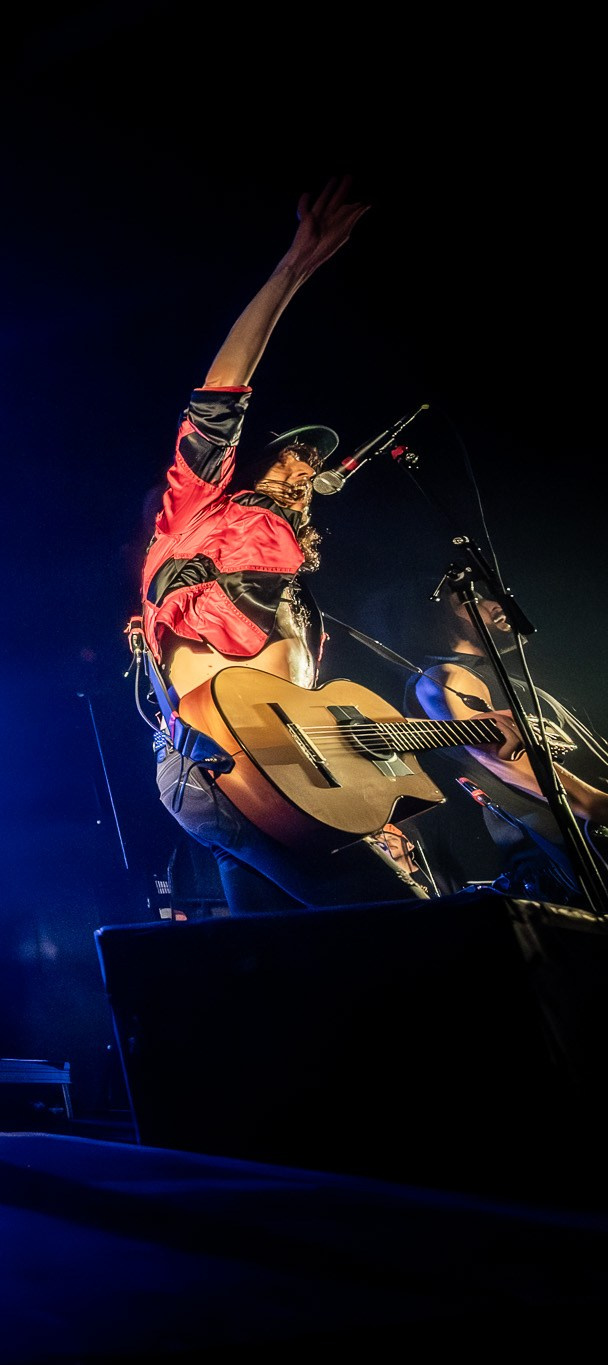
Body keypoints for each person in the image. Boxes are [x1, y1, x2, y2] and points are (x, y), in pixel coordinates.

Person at [138, 179, 524, 910]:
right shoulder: (199, 508)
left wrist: (473, 730)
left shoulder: (299, 601)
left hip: (262, 776)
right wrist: (294, 269)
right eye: (292, 455)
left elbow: (307, 729)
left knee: (306, 973)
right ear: (252, 463)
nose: (306, 468)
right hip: (223, 763)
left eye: (311, 464)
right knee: (408, 936)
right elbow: (222, 392)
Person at [407, 593, 607, 901]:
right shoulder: (447, 676)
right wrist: (595, 804)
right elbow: (503, 765)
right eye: (470, 598)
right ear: (438, 617)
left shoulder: (514, 682)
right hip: (577, 861)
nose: (495, 603)